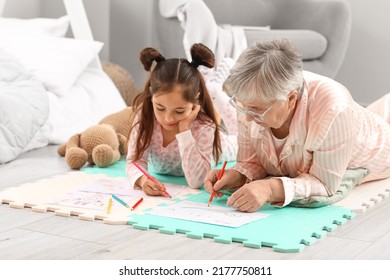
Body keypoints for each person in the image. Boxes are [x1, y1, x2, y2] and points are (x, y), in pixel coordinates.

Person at [204, 39, 390, 212]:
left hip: (380, 146)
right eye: (243, 107)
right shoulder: (250, 100)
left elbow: (324, 184)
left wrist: (270, 188)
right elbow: (251, 161)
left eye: (257, 110)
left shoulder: (334, 111)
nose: (249, 118)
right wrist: (237, 175)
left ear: (291, 99)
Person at [126, 43, 237, 196]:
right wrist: (143, 180)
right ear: (152, 95)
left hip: (219, 147)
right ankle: (211, 86)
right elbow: (134, 161)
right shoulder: (145, 116)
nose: (167, 118)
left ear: (194, 104)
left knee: (241, 138)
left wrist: (185, 131)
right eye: (160, 107)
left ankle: (215, 91)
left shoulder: (204, 126)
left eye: (179, 111)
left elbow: (196, 181)